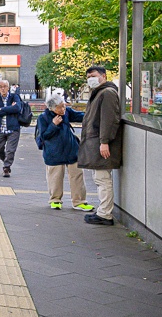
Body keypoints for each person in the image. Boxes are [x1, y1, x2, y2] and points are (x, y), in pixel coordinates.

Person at [78, 66, 122, 226]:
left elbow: (108, 120)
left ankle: (105, 214)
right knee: (99, 178)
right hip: (97, 142)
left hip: (101, 143)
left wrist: (104, 142)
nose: (90, 78)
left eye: (93, 75)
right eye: (88, 76)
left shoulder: (107, 93)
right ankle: (103, 211)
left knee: (103, 178)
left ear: (103, 76)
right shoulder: (99, 93)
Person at [36, 93, 93, 212]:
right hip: (54, 152)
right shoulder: (43, 117)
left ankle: (79, 201)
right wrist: (53, 125)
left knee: (77, 175)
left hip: (71, 149)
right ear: (51, 108)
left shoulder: (67, 112)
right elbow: (44, 136)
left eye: (64, 106)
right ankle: (55, 200)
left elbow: (80, 116)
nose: (63, 109)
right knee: (55, 177)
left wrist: (92, 114)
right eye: (59, 107)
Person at [0, 79, 23, 178]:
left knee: (10, 150)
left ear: (8, 88)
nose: (3, 88)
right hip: (1, 129)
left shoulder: (15, 97)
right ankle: (6, 160)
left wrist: (3, 109)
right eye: (1, 87)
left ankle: (6, 167)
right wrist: (10, 109)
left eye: (5, 86)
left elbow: (17, 108)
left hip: (13, 129)